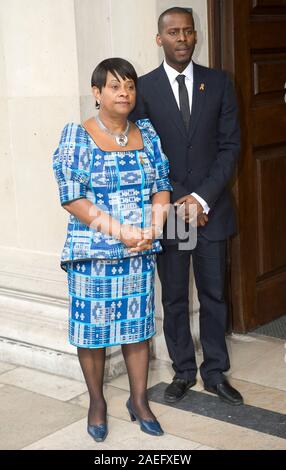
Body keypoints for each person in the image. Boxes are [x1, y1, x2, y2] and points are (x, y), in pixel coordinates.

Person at [53, 58, 172, 442]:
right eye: (115, 86)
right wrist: (121, 231)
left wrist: (153, 227)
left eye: (130, 86)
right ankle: (97, 403)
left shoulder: (147, 135)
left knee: (137, 329)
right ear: (97, 93)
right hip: (94, 254)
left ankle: (139, 401)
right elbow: (72, 198)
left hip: (138, 250)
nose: (125, 93)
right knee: (92, 334)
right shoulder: (78, 136)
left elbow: (161, 184)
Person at [130, 7, 243, 406]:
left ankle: (215, 373)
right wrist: (181, 200)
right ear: (159, 39)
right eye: (174, 32)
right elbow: (145, 153)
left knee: (213, 295)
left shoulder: (219, 83)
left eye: (188, 32)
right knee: (175, 296)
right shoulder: (143, 89)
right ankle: (183, 372)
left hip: (210, 210)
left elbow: (231, 146)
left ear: (197, 37)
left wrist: (201, 198)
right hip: (172, 211)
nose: (182, 38)